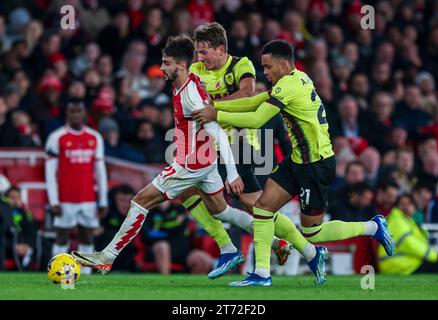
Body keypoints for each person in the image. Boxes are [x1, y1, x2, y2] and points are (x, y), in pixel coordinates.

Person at [72, 36, 327, 285]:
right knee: (226, 209)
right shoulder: (189, 79)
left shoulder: (216, 78)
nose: (162, 67)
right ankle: (278, 246)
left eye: (166, 63)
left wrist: (232, 172)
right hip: (206, 160)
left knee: (140, 201)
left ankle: (107, 256)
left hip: (209, 156)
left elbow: (222, 121)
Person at [192, 40, 395, 286]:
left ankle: (372, 227)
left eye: (268, 67)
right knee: (263, 209)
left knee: (313, 232)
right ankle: (262, 274)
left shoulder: (288, 86)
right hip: (297, 161)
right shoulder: (296, 78)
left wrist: (217, 114)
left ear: (283, 64)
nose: (264, 72)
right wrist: (217, 105)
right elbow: (255, 101)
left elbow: (256, 119)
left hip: (316, 166)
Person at [177, 22, 304, 272]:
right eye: (197, 52)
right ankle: (296, 246)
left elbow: (246, 93)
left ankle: (232, 249)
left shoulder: (240, 65)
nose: (199, 57)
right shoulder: (195, 69)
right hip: (208, 146)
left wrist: (213, 107)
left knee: (202, 195)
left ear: (221, 49)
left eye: (204, 51)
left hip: (236, 145)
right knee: (251, 206)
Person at [45, 98, 108, 275]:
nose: (75, 115)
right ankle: (57, 272)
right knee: (61, 236)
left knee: (87, 235)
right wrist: (53, 201)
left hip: (88, 198)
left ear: (84, 113)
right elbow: (49, 172)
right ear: (67, 114)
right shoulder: (56, 137)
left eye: (78, 111)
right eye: (72, 111)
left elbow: (100, 171)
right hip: (65, 198)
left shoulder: (95, 138)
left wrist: (102, 200)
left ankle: (85, 275)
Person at [143, 201, 214, 275]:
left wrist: (164, 229)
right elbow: (147, 235)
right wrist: (175, 225)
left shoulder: (179, 209)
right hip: (157, 250)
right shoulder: (149, 212)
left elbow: (183, 227)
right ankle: (165, 282)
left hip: (181, 252)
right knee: (163, 246)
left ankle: (192, 285)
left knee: (199, 257)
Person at [378, 194, 438, 274]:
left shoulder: (407, 221)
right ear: (396, 206)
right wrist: (434, 256)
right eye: (402, 203)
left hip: (406, 262)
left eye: (409, 203)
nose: (406, 206)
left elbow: (420, 242)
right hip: (397, 264)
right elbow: (409, 243)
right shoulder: (397, 221)